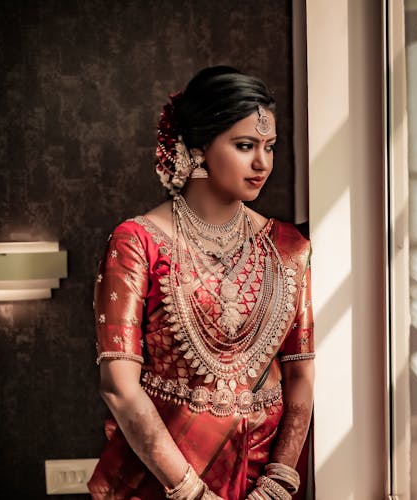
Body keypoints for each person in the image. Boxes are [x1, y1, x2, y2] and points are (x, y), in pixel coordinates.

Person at [88, 66, 314, 500]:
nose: (262, 162)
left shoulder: (289, 248)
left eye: (270, 147)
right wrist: (190, 492)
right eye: (245, 146)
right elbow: (119, 385)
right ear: (199, 148)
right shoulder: (137, 243)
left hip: (262, 479)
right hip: (162, 480)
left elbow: (300, 373)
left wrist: (280, 480)